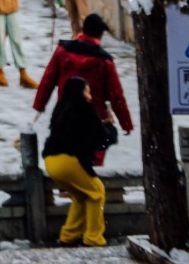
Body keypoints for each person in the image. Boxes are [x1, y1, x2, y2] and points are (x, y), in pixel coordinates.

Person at [34, 12, 133, 159]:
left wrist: (39, 105)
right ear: (101, 35)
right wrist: (126, 123)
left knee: (66, 156)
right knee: (90, 160)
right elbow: (116, 95)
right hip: (95, 118)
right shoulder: (104, 61)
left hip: (64, 114)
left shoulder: (62, 51)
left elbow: (47, 80)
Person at [43, 75, 109, 247]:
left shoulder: (60, 108)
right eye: (87, 91)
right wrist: (108, 126)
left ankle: (68, 235)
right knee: (97, 192)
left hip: (51, 161)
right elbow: (101, 140)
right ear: (80, 92)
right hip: (69, 161)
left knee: (81, 196)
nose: (90, 95)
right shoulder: (85, 108)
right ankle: (93, 238)